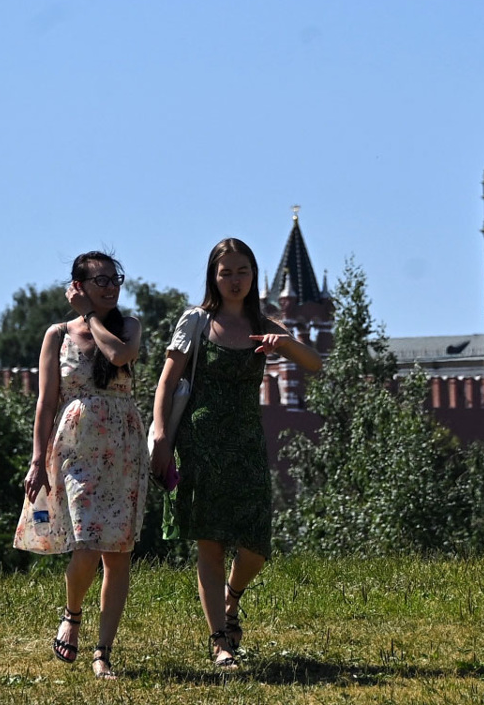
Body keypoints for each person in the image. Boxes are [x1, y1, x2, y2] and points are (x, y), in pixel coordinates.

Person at [150, 238, 324, 669]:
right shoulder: (197, 322)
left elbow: (315, 363)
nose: (233, 279)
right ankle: (219, 641)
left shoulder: (264, 324)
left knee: (256, 545)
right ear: (213, 276)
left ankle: (231, 600)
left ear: (254, 275)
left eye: (241, 271)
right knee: (209, 545)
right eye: (225, 272)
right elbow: (167, 382)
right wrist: (160, 434)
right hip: (200, 442)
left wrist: (280, 344)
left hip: (246, 443)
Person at [14, 252, 148, 681]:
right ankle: (72, 614)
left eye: (115, 279)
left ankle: (102, 652)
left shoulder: (128, 327)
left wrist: (91, 316)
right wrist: (37, 460)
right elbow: (46, 401)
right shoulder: (57, 335)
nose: (110, 287)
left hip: (123, 446)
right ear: (78, 284)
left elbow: (119, 357)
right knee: (86, 543)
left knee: (118, 553)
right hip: (76, 447)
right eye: (100, 280)